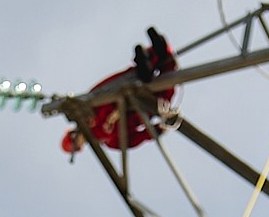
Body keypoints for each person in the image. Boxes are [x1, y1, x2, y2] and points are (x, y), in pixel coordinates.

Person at [60, 27, 179, 157]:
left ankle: (155, 53)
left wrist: (129, 76)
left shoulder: (86, 110)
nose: (77, 138)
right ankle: (157, 56)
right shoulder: (109, 140)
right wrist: (156, 130)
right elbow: (133, 140)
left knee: (152, 76)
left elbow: (106, 87)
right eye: (75, 143)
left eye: (73, 137)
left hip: (129, 88)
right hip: (142, 107)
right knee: (167, 87)